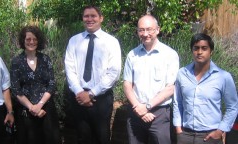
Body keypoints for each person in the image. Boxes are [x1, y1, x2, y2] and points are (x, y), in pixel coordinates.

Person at [64, 5, 122, 144]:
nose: (89, 19)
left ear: (101, 18)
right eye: (86, 16)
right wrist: (79, 92)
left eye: (93, 16)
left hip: (101, 99)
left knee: (102, 138)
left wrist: (90, 94)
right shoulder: (74, 41)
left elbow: (113, 72)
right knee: (82, 137)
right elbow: (69, 68)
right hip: (78, 98)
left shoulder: (111, 42)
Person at [123, 14, 179, 144]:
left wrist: (147, 106)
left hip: (159, 114)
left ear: (158, 30)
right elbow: (127, 84)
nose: (145, 33)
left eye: (149, 29)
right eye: (141, 30)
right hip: (136, 111)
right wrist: (139, 108)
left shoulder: (170, 55)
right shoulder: (132, 55)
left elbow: (170, 88)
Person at [173, 33, 238, 144]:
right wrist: (178, 129)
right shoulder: (182, 74)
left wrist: (220, 130)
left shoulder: (223, 77)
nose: (199, 52)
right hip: (185, 134)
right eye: (196, 48)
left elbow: (232, 106)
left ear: (211, 51)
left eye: (204, 48)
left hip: (210, 136)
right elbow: (177, 102)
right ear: (192, 50)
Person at [10, 25, 61, 144]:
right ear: (23, 41)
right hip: (26, 112)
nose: (31, 42)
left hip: (46, 110)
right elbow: (16, 89)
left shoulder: (45, 59)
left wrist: (40, 105)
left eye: (34, 39)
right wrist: (32, 107)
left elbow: (52, 84)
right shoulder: (16, 62)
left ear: (39, 40)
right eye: (28, 39)